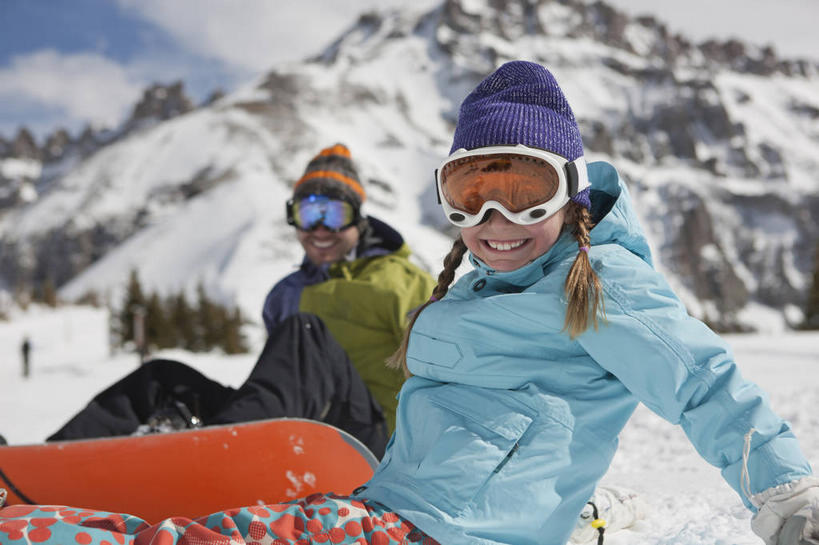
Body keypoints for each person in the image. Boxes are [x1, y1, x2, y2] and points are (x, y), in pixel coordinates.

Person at [2, 61, 816, 545]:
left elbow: (703, 383)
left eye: (522, 192)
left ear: (570, 194)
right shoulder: (475, 288)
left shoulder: (598, 280)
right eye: (470, 194)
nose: (494, 223)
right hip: (392, 509)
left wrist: (786, 496)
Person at [44, 144, 435, 460]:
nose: (318, 229)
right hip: (297, 430)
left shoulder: (399, 280)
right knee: (161, 379)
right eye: (307, 213)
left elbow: (443, 367)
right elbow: (279, 387)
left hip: (372, 440)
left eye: (332, 213)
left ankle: (215, 454)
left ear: (357, 220)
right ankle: (43, 467)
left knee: (305, 334)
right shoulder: (286, 293)